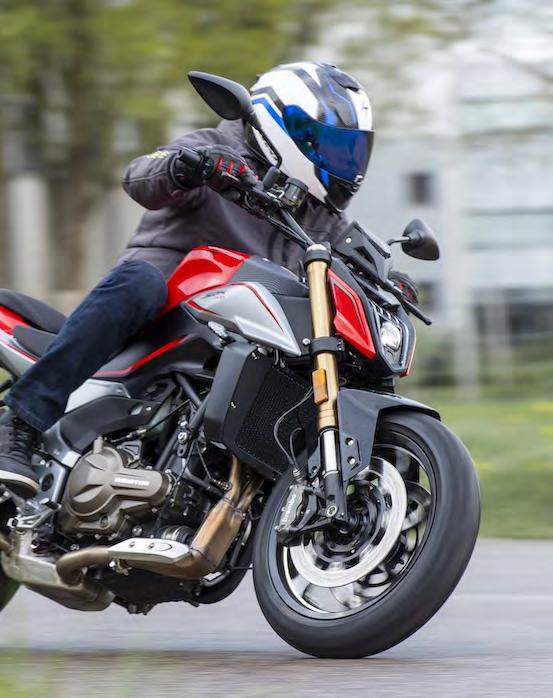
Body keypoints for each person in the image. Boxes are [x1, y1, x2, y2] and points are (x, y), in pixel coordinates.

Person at [0, 61, 375, 497]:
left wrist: (388, 277)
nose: (342, 162)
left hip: (240, 326)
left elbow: (354, 250)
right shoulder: (217, 147)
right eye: (331, 146)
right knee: (140, 284)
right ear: (283, 125)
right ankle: (20, 423)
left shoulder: (319, 214)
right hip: (169, 295)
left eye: (350, 152)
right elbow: (140, 176)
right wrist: (187, 166)